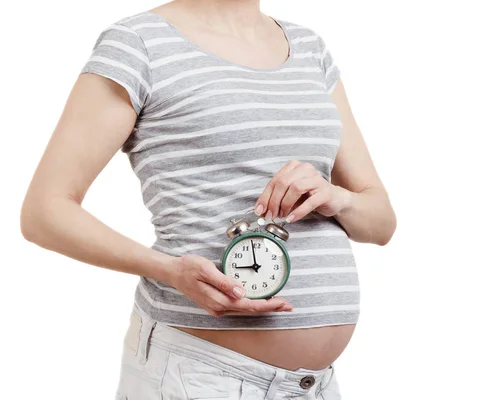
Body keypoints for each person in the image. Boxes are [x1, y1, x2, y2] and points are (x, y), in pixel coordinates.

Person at [20, 1, 396, 399]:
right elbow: (44, 211)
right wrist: (169, 271)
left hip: (314, 387)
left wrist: (338, 198)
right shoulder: (139, 44)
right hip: (201, 376)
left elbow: (381, 222)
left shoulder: (308, 47)